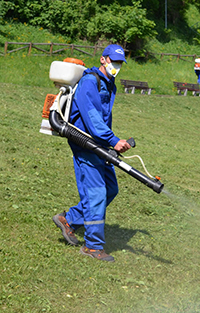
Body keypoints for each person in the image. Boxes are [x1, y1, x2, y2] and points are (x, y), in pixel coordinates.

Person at [52, 44, 131, 262]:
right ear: (103, 59)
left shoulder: (107, 81)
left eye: (120, 63)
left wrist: (109, 142)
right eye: (114, 61)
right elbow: (92, 118)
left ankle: (68, 219)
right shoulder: (90, 82)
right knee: (96, 193)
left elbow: (102, 118)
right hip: (85, 143)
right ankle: (93, 246)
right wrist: (113, 141)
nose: (117, 66)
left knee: (110, 189)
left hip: (99, 143)